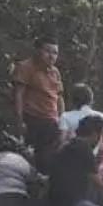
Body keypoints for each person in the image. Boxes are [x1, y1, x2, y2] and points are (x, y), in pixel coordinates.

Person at [12, 37, 64, 173]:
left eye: (55, 53)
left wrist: (61, 119)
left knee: (49, 160)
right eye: (48, 51)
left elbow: (58, 97)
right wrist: (19, 120)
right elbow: (19, 95)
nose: (51, 56)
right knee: (28, 157)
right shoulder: (25, 67)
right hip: (32, 118)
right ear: (38, 51)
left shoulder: (55, 72)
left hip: (51, 121)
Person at [58, 83, 103, 153]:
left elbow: (62, 141)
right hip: (96, 160)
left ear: (72, 100)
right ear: (91, 99)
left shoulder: (65, 116)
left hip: (72, 157)